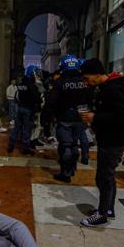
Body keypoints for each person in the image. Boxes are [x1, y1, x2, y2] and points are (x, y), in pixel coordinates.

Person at [78, 59, 124, 226]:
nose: (86, 82)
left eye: (87, 78)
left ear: (97, 74)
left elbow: (122, 117)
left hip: (113, 140)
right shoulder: (105, 89)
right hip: (109, 137)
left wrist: (95, 117)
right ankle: (108, 209)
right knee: (107, 176)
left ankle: (102, 214)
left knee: (104, 177)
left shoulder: (114, 90)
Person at [43, 54, 91, 183]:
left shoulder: (59, 83)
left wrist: (46, 121)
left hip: (64, 119)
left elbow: (50, 103)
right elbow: (90, 99)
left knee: (65, 146)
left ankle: (66, 173)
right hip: (80, 118)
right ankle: (72, 167)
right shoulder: (84, 82)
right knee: (74, 144)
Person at [7, 66, 41, 155]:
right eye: (35, 73)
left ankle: (10, 145)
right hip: (28, 109)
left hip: (20, 108)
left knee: (16, 128)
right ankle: (26, 148)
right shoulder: (31, 85)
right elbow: (36, 98)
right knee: (27, 129)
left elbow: (17, 96)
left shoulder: (21, 84)